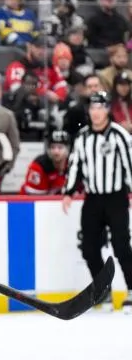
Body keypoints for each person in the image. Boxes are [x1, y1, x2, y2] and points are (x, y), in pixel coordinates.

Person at [63, 91, 132, 312]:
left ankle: (131, 290)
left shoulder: (120, 135)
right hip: (92, 199)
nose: (95, 112)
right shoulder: (82, 137)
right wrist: (68, 192)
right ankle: (104, 292)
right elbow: (75, 165)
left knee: (121, 246)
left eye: (99, 107)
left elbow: (129, 165)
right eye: (92, 108)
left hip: (116, 198)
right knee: (89, 248)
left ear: (107, 110)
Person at [21, 130, 70, 195]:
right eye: (53, 147)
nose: (56, 151)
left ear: (68, 149)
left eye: (60, 147)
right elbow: (35, 197)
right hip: (30, 202)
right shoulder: (39, 165)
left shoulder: (74, 163)